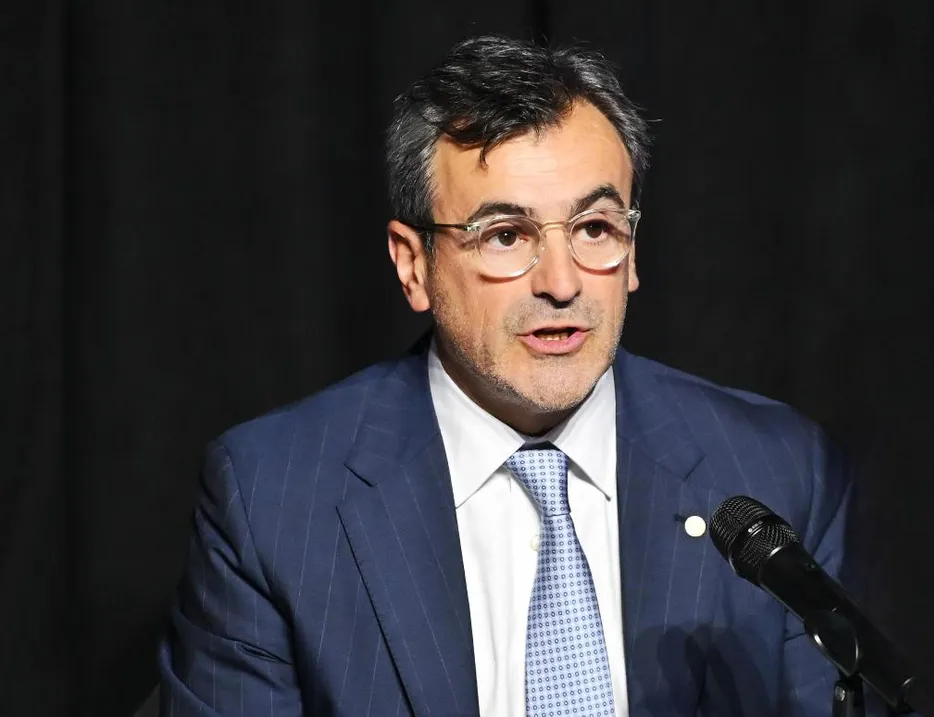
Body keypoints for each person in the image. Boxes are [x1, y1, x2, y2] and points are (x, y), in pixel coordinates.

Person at [159, 34, 860, 716]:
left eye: (594, 228)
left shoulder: (779, 468)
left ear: (633, 247)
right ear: (413, 265)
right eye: (505, 235)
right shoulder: (272, 499)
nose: (562, 283)